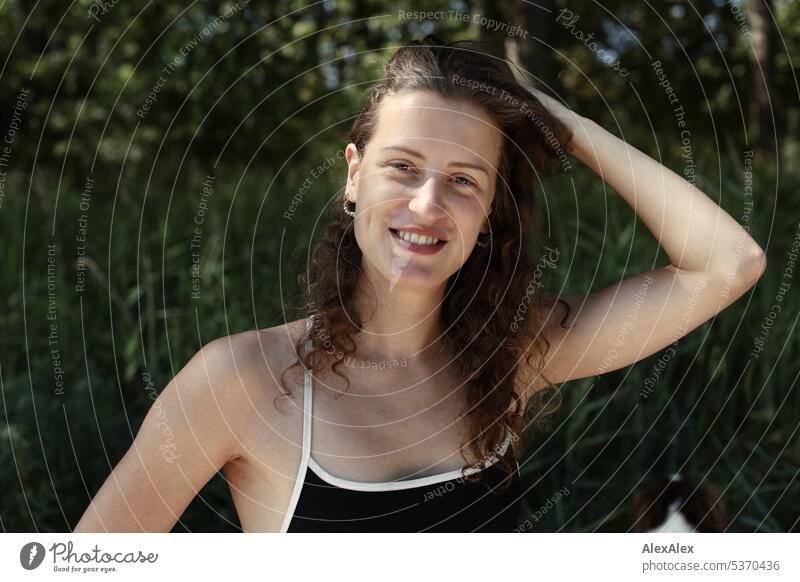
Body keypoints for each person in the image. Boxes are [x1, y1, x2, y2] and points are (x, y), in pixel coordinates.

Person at [74, 33, 765, 533]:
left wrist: (566, 124)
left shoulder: (513, 355)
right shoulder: (241, 382)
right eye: (402, 167)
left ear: (491, 211)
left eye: (463, 180)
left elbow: (727, 264)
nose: (427, 205)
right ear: (354, 174)